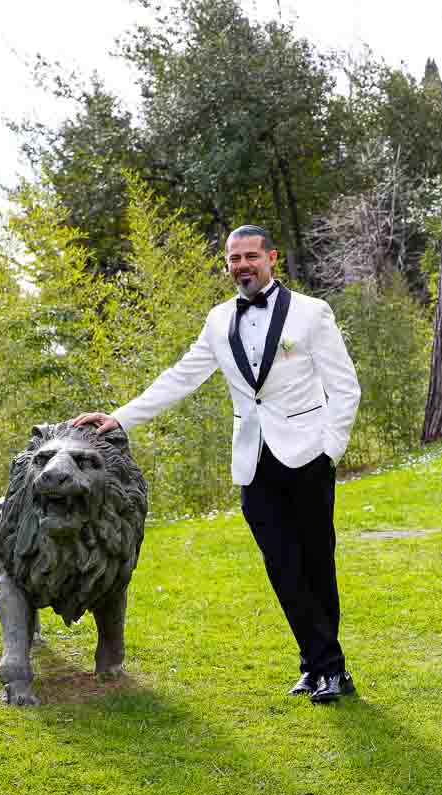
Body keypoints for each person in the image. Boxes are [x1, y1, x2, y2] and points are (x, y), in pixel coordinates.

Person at [72, 224, 361, 703]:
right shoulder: (217, 320)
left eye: (251, 256)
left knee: (315, 561)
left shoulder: (312, 314)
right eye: (234, 259)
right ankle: (321, 665)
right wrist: (121, 417)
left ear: (272, 257)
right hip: (253, 461)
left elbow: (344, 386)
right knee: (281, 565)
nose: (242, 265)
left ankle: (324, 667)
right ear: (226, 264)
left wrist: (331, 448)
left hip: (308, 455)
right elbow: (181, 377)